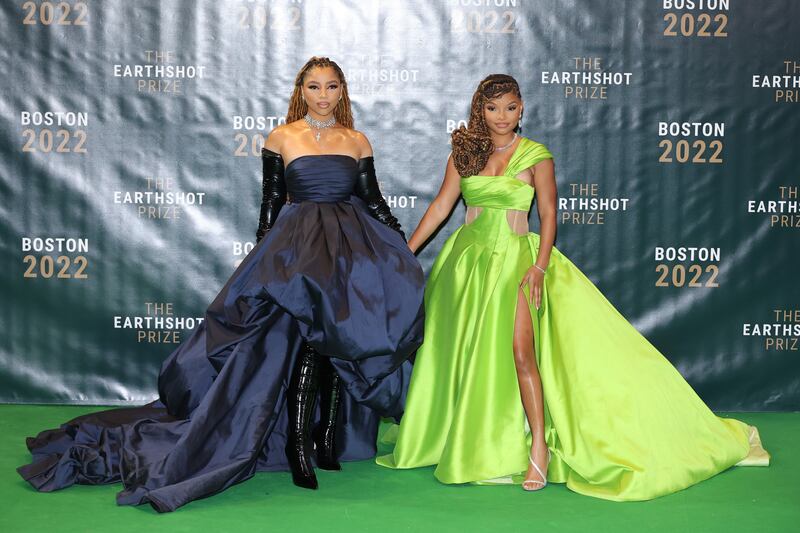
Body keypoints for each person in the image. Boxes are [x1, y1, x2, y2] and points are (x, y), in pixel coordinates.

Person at [18, 56, 425, 512]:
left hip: (348, 250)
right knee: (311, 341)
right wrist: (264, 261)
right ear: (302, 91)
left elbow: (373, 201)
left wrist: (403, 248)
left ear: (342, 91)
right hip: (298, 251)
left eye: (332, 87)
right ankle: (297, 445)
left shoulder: (357, 140)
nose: (323, 96)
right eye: (314, 87)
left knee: (336, 341)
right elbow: (271, 205)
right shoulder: (282, 136)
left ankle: (326, 437)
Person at [377, 74, 767, 500]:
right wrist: (405, 252)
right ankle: (468, 438)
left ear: (521, 107)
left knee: (521, 351)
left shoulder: (536, 156)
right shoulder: (465, 154)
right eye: (492, 108)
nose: (502, 116)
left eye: (510, 107)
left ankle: (539, 449)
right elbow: (440, 206)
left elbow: (548, 215)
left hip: (515, 263)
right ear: (480, 110)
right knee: (463, 352)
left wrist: (539, 267)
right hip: (465, 266)